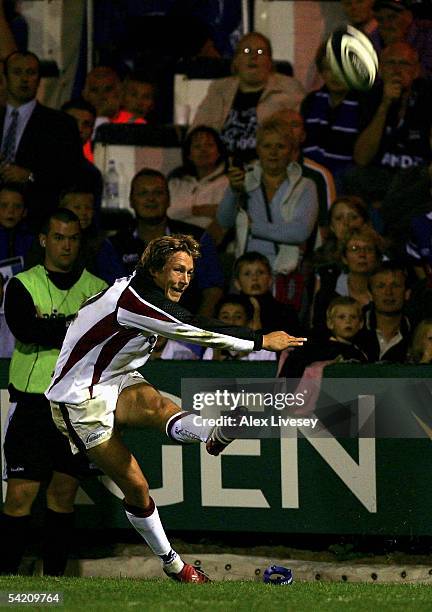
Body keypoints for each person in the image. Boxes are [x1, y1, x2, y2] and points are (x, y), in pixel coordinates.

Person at [45, 233, 306, 583]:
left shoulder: (137, 289)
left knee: (157, 404)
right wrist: (259, 340)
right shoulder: (139, 302)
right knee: (137, 487)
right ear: (154, 269)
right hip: (78, 400)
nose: (184, 280)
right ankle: (175, 566)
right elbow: (193, 328)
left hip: (114, 376)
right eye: (177, 270)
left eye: (189, 272)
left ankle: (211, 434)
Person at [0, 208, 107, 576]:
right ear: (44, 239)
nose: (66, 245)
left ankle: (57, 583)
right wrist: (77, 327)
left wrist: (55, 326)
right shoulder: (22, 284)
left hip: (76, 404)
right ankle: (7, 577)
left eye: (73, 238)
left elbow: (104, 339)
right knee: (19, 497)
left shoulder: (96, 288)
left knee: (63, 494)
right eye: (59, 237)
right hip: (32, 402)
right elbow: (27, 331)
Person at [216, 115, 318, 311]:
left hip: (285, 278)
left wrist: (251, 226)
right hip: (246, 277)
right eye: (267, 146)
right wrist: (233, 190)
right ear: (258, 149)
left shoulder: (305, 186)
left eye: (280, 146)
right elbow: (224, 220)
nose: (273, 152)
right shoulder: (244, 180)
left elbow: (299, 232)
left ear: (291, 150)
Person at [346, 42, 432, 239]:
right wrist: (385, 105)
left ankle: (384, 223)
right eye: (391, 63)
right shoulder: (369, 98)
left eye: (404, 64)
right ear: (381, 69)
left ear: (417, 70)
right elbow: (361, 158)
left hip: (415, 181)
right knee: (351, 176)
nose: (397, 70)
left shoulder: (428, 97)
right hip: (380, 178)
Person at [111, 167, 224, 317]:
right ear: (131, 201)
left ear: (169, 199)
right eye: (143, 193)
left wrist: (195, 332)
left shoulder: (198, 238)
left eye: (158, 192)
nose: (151, 199)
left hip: (187, 331)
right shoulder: (114, 245)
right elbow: (112, 298)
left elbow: (213, 291)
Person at [191, 31, 305, 164]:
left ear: (269, 62)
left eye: (261, 52)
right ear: (236, 61)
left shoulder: (289, 88)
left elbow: (298, 134)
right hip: (221, 169)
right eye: (246, 51)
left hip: (267, 169)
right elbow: (197, 131)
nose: (253, 56)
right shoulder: (219, 88)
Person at [0, 51, 83, 231]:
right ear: (5, 77)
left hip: (37, 222)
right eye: (17, 72)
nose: (24, 79)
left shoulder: (60, 124)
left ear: (39, 79)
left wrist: (30, 176)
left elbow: (71, 174)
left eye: (30, 73)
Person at [301, 43, 364, 190]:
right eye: (329, 68)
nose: (336, 75)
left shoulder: (364, 102)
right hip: (311, 172)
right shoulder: (311, 101)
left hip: (347, 176)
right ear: (322, 73)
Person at [312, 225, 382, 336]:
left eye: (368, 249)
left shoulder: (385, 294)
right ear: (344, 257)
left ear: (377, 257)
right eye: (354, 249)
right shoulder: (328, 292)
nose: (362, 254)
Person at [280, 296, 367, 378]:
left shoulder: (361, 353)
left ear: (361, 323)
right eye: (341, 317)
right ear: (330, 323)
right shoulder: (315, 351)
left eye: (353, 317)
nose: (348, 321)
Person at [168, 125, 229, 229]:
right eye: (197, 146)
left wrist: (181, 212)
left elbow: (227, 217)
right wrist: (199, 210)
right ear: (189, 155)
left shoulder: (229, 183)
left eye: (209, 145)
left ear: (219, 152)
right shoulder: (175, 182)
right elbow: (167, 213)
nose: (203, 150)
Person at [232, 251, 300, 336]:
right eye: (247, 274)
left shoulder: (285, 313)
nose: (254, 278)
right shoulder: (230, 311)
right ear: (237, 283)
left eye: (260, 272)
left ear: (270, 279)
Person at [357, 261, 412, 361]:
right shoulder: (353, 329)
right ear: (370, 294)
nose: (388, 292)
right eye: (381, 286)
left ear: (407, 293)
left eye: (395, 286)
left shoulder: (417, 332)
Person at [202, 293, 276, 361]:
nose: (231, 322)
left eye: (238, 317)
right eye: (225, 317)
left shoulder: (265, 350)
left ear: (248, 322)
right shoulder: (212, 349)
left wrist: (243, 356)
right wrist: (215, 358)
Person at [372, 0, 432, 79]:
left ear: (408, 17)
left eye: (392, 17)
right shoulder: (371, 43)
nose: (386, 24)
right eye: (380, 20)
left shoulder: (427, 39)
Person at [0, 182, 32, 261]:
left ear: (24, 212)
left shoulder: (32, 240)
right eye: (4, 205)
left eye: (17, 207)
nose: (10, 211)